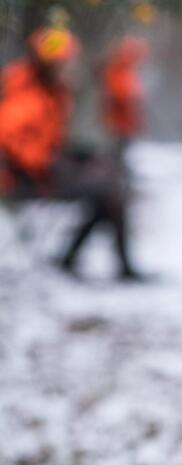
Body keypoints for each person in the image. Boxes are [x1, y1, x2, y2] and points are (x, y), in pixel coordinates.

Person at [0, 27, 144, 280]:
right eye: (60, 63)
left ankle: (74, 259)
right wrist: (51, 163)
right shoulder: (25, 94)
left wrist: (77, 156)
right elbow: (17, 147)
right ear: (43, 63)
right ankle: (111, 266)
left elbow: (50, 140)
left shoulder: (51, 92)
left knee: (110, 189)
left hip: (46, 171)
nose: (65, 67)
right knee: (110, 195)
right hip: (29, 180)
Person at [102, 36, 149, 156]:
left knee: (122, 154)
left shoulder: (127, 72)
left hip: (123, 126)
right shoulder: (119, 71)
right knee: (117, 154)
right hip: (119, 126)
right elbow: (121, 97)